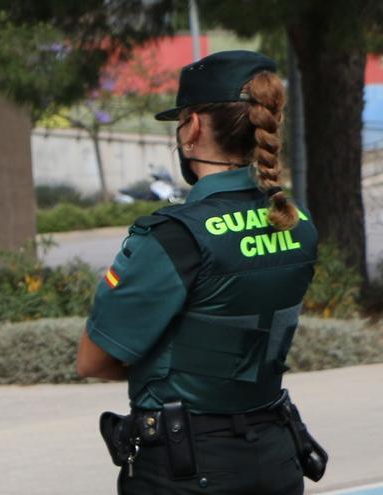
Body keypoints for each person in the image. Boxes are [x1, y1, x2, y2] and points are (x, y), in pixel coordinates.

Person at [75, 51, 327, 494]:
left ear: (192, 126)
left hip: (188, 468)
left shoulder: (174, 237)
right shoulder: (297, 223)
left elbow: (93, 360)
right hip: (275, 456)